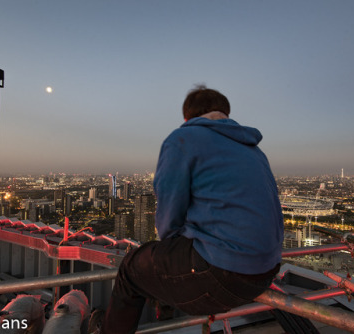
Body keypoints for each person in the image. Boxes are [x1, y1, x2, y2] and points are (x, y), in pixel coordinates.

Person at [101, 85, 284, 333]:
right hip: (267, 272)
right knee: (169, 258)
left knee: (131, 270)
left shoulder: (183, 139)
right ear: (225, 114)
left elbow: (169, 215)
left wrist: (170, 247)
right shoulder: (254, 149)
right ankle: (165, 310)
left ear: (187, 118)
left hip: (223, 272)